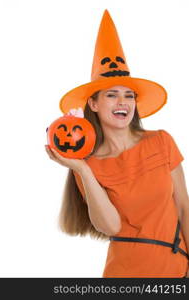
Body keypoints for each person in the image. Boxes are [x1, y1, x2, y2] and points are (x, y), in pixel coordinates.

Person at [45, 10, 189, 277]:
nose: (123, 102)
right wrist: (83, 170)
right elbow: (110, 226)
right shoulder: (88, 164)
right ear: (94, 104)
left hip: (176, 270)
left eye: (128, 95)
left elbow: (184, 207)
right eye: (112, 95)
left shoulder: (161, 141)